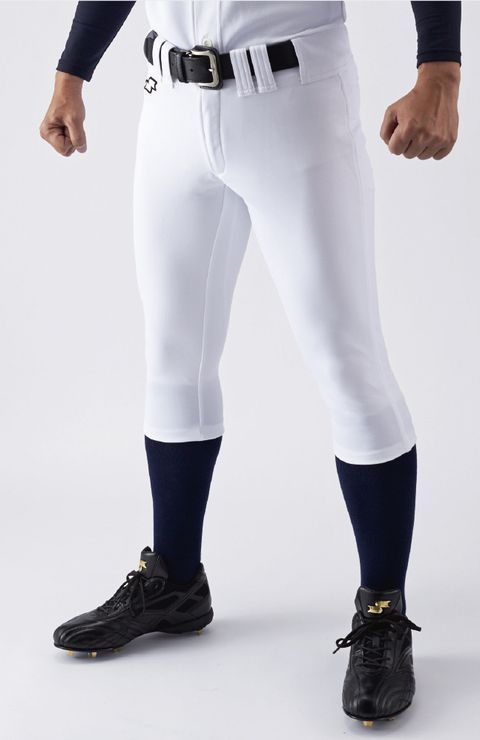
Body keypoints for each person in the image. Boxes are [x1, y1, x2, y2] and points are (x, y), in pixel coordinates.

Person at [40, 0, 461, 727]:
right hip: (170, 106)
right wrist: (72, 71)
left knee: (347, 360)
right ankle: (175, 580)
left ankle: (383, 612)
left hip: (294, 99)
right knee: (173, 356)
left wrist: (441, 72)